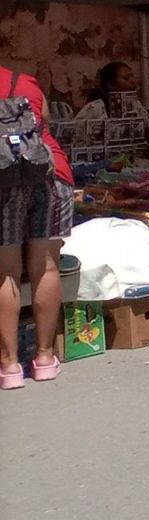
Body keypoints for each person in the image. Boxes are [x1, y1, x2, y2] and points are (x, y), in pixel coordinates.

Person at [0, 61, 72, 389]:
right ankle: (44, 357)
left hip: (3, 183)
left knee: (6, 271)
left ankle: (9, 366)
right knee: (46, 266)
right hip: (50, 174)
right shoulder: (23, 80)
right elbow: (43, 124)